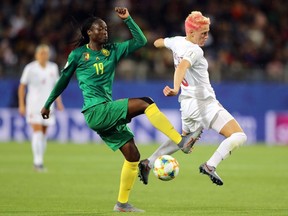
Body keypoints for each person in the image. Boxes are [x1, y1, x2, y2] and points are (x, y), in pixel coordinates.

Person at [40, 7, 199, 212]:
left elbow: (140, 41)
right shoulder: (79, 55)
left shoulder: (112, 50)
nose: (105, 32)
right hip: (96, 110)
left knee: (133, 156)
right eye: (100, 29)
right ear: (89, 32)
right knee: (146, 102)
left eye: (106, 29)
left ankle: (121, 204)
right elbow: (62, 80)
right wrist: (47, 103)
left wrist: (128, 19)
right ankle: (181, 141)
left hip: (105, 111)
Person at [138, 11, 247, 186]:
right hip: (203, 104)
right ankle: (210, 165)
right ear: (191, 33)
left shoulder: (176, 41)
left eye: (207, 32)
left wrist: (159, 43)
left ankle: (149, 162)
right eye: (203, 33)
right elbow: (182, 66)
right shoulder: (194, 50)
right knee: (239, 136)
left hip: (187, 105)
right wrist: (175, 87)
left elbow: (159, 42)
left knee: (184, 142)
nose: (206, 36)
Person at [18, 44, 64, 172]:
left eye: (46, 53)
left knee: (43, 133)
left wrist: (59, 103)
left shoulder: (53, 68)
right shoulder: (30, 68)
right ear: (36, 55)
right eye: (41, 53)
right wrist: (22, 104)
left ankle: (40, 159)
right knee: (37, 131)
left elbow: (56, 87)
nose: (44, 56)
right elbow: (22, 87)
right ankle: (37, 162)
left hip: (48, 106)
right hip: (33, 105)